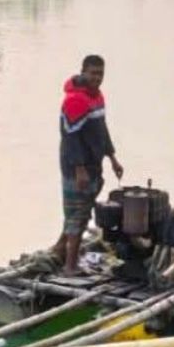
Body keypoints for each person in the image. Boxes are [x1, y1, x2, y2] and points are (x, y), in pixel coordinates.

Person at [52, 54, 123, 276]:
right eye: (93, 73)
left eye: (100, 74)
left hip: (94, 163)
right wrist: (79, 169)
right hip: (76, 168)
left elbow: (102, 129)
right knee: (77, 213)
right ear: (83, 72)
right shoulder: (75, 100)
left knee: (84, 208)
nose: (97, 78)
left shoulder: (97, 97)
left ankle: (60, 248)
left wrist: (112, 157)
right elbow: (71, 139)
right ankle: (70, 266)